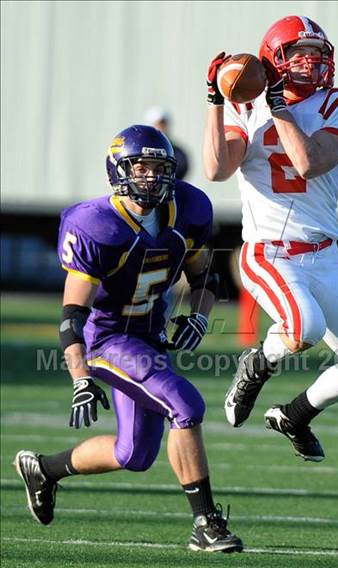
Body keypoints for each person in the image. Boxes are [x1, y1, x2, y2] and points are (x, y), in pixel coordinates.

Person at [14, 125, 243, 553]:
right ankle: (206, 524)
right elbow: (71, 317)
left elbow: (204, 276)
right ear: (119, 170)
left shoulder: (187, 209)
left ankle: (44, 470)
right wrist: (80, 378)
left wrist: (198, 316)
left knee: (133, 454)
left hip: (149, 336)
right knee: (185, 405)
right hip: (107, 339)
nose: (152, 177)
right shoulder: (97, 225)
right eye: (141, 167)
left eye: (160, 168)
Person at [203, 16, 338, 462]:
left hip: (323, 257)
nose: (309, 61)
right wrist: (216, 101)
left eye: (316, 52)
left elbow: (309, 162)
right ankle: (257, 366)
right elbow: (216, 170)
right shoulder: (246, 106)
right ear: (274, 57)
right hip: (268, 252)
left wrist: (279, 107)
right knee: (302, 326)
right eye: (295, 52)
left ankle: (295, 415)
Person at [144, 107, 190, 180]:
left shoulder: (177, 152)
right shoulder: (139, 149)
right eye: (158, 124)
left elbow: (181, 169)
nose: (161, 127)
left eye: (163, 124)